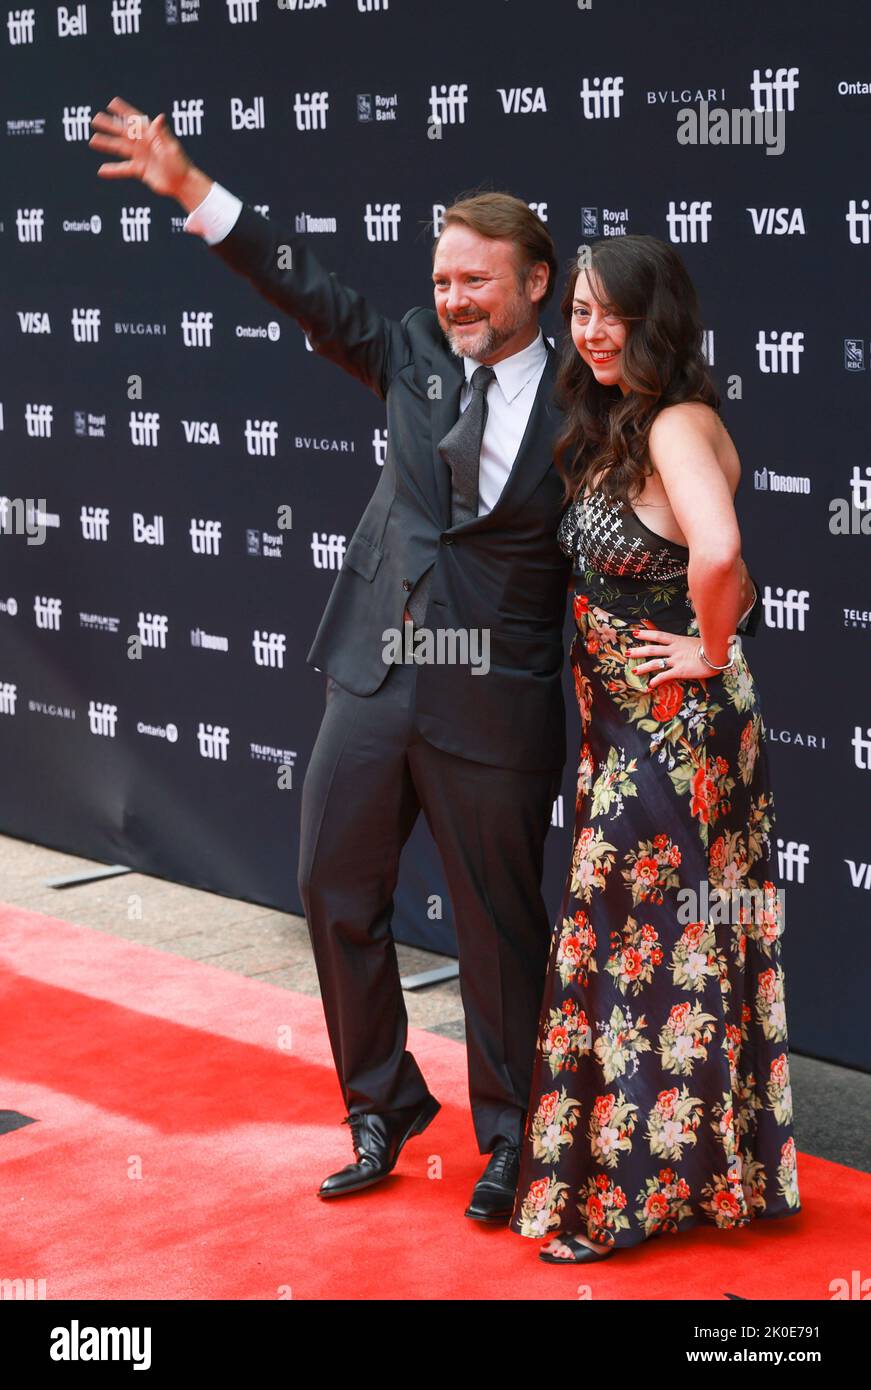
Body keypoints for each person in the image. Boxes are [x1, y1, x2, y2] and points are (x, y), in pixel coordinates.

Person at [87, 95, 575, 1221]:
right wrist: (187, 185)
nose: (453, 298)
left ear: (533, 283)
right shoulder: (411, 347)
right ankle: (380, 1103)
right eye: (443, 278)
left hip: (494, 702)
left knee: (498, 928)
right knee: (330, 886)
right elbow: (304, 286)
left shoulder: (587, 400)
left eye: (475, 281)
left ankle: (511, 1136)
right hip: (375, 669)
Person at [508, 234, 801, 1262]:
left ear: (655, 318)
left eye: (608, 313)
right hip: (629, 723)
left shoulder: (677, 422)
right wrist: (716, 623)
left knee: (631, 946)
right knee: (657, 938)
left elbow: (718, 554)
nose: (587, 330)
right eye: (577, 311)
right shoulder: (624, 426)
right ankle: (710, 1172)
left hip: (673, 730)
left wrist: (708, 649)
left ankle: (622, 1201)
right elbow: (720, 560)